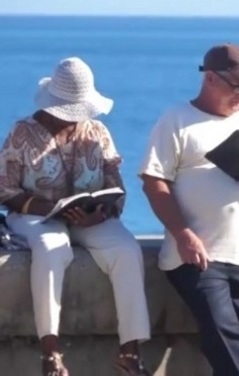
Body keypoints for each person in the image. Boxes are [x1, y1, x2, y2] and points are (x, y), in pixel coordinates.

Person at [140, 43, 239, 376]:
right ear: (210, 78)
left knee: (229, 346)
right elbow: (154, 183)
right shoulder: (176, 119)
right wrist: (183, 234)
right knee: (226, 336)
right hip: (198, 254)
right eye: (237, 85)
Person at [0, 57, 151, 376]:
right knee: (53, 248)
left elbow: (115, 184)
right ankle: (50, 352)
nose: (75, 119)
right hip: (34, 217)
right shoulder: (22, 133)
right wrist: (48, 208)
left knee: (126, 250)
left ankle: (130, 353)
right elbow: (5, 190)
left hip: (88, 219)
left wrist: (103, 210)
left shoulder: (97, 130)